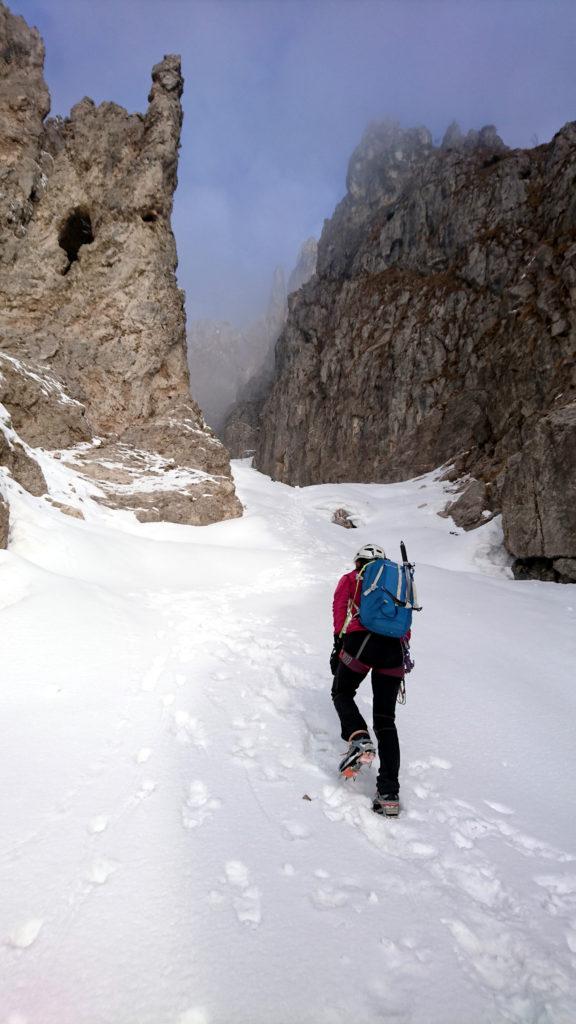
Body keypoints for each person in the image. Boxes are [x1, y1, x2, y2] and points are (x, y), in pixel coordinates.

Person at [331, 543, 406, 816]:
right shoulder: (398, 584)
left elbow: (341, 612)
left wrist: (337, 646)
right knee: (386, 720)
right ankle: (389, 794)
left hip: (361, 642)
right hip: (395, 651)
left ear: (358, 563)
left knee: (342, 691)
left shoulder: (352, 579)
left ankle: (359, 738)